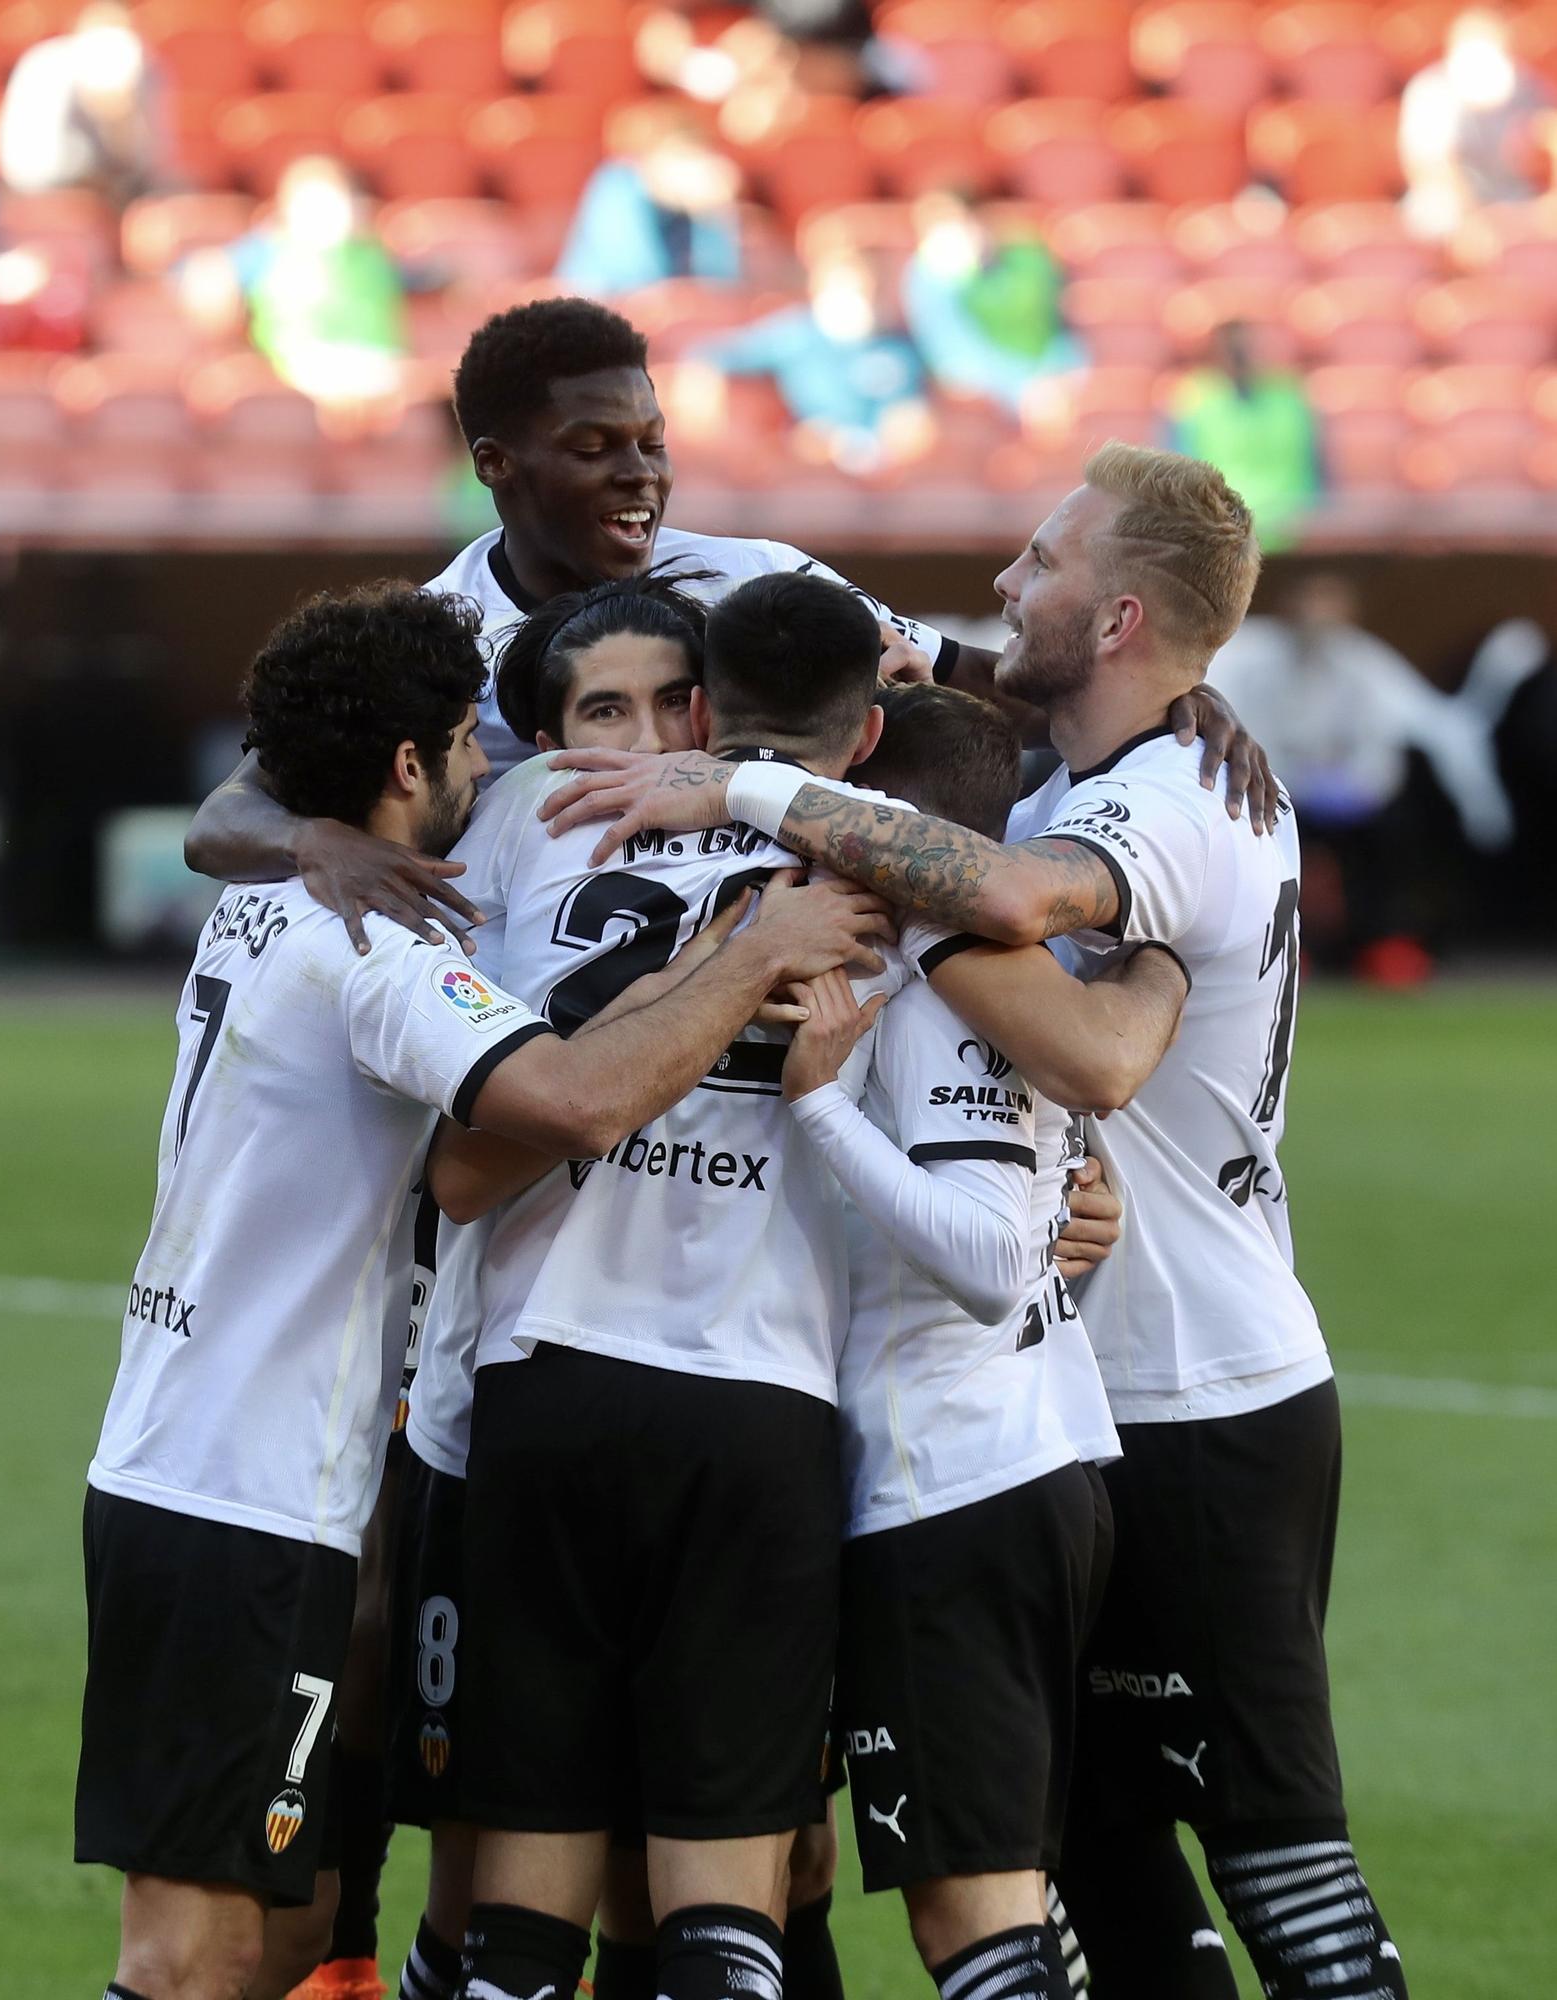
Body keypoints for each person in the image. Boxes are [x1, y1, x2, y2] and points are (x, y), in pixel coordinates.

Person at [539, 441, 1410, 2000]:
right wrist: (913, 685)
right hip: (1082, 1389)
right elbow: (938, 701)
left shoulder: (1173, 792)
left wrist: (743, 783)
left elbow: (1014, 915)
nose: (1005, 581)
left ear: (1126, 616)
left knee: (1282, 1867)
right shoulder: (1109, 759)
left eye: (1042, 561)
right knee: (1098, 1857)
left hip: (1202, 1389)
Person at [75, 580, 881, 2000]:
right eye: (462, 741)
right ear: (407, 767)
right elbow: (563, 1105)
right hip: (241, 1494)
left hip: (201, 1466)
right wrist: (751, 950)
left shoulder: (270, 894)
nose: (478, 771)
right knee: (194, 1953)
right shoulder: (372, 948)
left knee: (261, 1936)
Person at [181, 295, 1273, 946]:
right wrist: (314, 840)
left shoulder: (755, 576)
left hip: (767, 993)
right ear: (495, 464)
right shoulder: (439, 632)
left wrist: (1163, 692)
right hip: (549, 998)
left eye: (651, 440)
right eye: (596, 446)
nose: (641, 474)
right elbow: (223, 819)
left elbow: (995, 690)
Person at [788, 683, 1158, 2000]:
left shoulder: (933, 971)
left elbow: (990, 1260)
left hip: (951, 1481)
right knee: (983, 1890)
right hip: (1014, 1463)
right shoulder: (1000, 978)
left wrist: (820, 1105)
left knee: (969, 1911)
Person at [1208, 570, 1513, 976]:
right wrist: (1294, 784)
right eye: (1309, 605)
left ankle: (1386, 940)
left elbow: (1391, 741)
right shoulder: (1249, 657)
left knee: (1399, 828)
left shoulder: (1365, 663)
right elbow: (1239, 730)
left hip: (1352, 802)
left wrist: (1360, 787)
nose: (1318, 617)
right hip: (1275, 792)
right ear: (1288, 610)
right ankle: (1271, 939)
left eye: (1329, 605)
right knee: (1248, 832)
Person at [178, 156, 408, 413]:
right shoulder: (267, 252)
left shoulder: (374, 256)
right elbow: (204, 276)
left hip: (375, 372)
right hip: (297, 373)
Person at [695, 246, 932, 474]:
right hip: (808, 460)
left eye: (869, 289)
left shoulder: (899, 349)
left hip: (874, 469)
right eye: (849, 289)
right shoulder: (797, 333)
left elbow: (907, 421)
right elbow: (727, 355)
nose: (860, 299)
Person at [902, 192, 1087, 419]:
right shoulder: (929, 278)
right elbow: (952, 353)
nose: (961, 231)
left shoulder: (1030, 258)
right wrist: (1016, 388)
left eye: (965, 220)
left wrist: (1055, 374)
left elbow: (1059, 322)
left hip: (1049, 375)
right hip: (989, 392)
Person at [1167, 320, 1321, 554]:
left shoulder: (1290, 397)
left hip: (1291, 536)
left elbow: (1317, 470)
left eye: (1246, 348)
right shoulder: (1192, 400)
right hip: (1220, 542)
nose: (1241, 356)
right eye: (1233, 348)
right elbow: (1180, 480)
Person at [1399, 7, 1554, 239]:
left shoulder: (1530, 88)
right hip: (1446, 208)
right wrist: (1474, 218)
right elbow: (1431, 166)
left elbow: (1548, 135)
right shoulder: (1431, 92)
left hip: (1514, 201)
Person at [0, 0, 169, 210]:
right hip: (58, 182)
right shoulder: (109, 46)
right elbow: (114, 112)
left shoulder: (44, 53)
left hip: (27, 183)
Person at [556, 109, 743, 296]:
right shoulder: (619, 184)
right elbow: (635, 277)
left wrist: (717, 213)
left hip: (677, 315)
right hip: (602, 310)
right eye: (681, 154)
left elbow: (722, 282)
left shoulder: (699, 201)